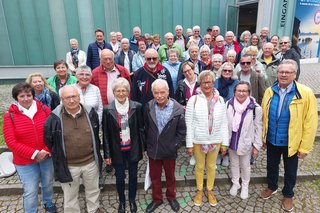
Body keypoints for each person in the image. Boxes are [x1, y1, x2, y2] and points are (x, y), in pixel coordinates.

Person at [260, 60, 318, 212]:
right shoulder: (270, 91)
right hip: (272, 138)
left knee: (290, 170)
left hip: (292, 141)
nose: (284, 75)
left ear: (295, 74)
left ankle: (288, 194)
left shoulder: (305, 93)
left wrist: (305, 147)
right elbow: (264, 116)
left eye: (288, 72)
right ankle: (272, 187)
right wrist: (263, 136)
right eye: (281, 72)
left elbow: (311, 122)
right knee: (271, 165)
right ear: (277, 73)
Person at [44, 85, 104, 213]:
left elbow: (95, 133)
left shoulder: (90, 112)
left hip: (90, 162)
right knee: (70, 195)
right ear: (62, 99)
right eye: (67, 98)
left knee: (93, 189)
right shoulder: (54, 118)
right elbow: (49, 141)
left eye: (74, 96)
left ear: (79, 97)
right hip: (68, 165)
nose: (71, 101)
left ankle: (93, 209)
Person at [3, 83, 56, 213]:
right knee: (30, 190)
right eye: (22, 96)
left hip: (46, 157)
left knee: (48, 183)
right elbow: (11, 142)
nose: (26, 98)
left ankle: (48, 202)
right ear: (16, 98)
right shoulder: (10, 116)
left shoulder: (44, 110)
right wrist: (34, 153)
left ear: (33, 95)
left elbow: (53, 132)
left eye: (29, 95)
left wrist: (46, 150)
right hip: (24, 162)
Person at [185, 71, 229, 207]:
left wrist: (225, 143)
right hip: (199, 140)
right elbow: (189, 123)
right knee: (199, 166)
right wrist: (189, 144)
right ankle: (199, 190)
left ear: (213, 83)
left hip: (215, 140)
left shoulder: (220, 100)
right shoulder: (194, 100)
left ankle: (209, 189)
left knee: (211, 166)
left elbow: (224, 122)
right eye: (204, 82)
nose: (207, 85)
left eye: (209, 82)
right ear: (200, 83)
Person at [102, 78, 144, 213]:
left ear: (128, 92)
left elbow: (141, 130)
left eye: (123, 90)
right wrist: (107, 154)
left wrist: (142, 148)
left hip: (132, 148)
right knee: (119, 177)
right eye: (118, 91)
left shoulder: (136, 107)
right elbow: (106, 134)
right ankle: (121, 201)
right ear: (113, 92)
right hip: (117, 150)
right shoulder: (107, 109)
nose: (121, 93)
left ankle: (131, 200)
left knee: (133, 176)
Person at [144, 79, 186, 213]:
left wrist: (175, 145)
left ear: (168, 92)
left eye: (162, 92)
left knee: (170, 177)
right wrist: (148, 145)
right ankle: (157, 199)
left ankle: (171, 197)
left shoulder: (178, 109)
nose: (160, 95)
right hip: (154, 150)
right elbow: (145, 128)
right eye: (156, 93)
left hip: (169, 150)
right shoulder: (149, 106)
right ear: (152, 93)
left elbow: (182, 131)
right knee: (155, 177)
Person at [226, 81, 262, 199]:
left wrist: (256, 145)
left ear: (249, 92)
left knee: (245, 165)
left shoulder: (255, 108)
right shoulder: (228, 104)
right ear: (234, 92)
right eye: (239, 90)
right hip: (232, 140)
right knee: (234, 164)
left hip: (246, 141)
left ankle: (245, 185)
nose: (241, 93)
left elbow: (258, 127)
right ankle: (236, 183)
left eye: (244, 91)